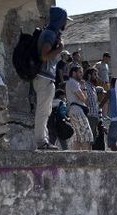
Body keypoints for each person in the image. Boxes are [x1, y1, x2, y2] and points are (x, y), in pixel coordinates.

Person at [33, 6, 70, 150]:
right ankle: (42, 143)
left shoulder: (49, 32)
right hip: (44, 77)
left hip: (44, 77)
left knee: (45, 110)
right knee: (43, 111)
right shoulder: (49, 34)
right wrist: (60, 49)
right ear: (60, 19)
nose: (65, 23)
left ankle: (44, 141)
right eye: (64, 20)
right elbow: (44, 55)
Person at [66, 65, 93, 150]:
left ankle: (75, 160)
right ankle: (87, 159)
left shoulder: (73, 83)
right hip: (77, 111)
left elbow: (85, 101)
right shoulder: (73, 82)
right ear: (74, 73)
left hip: (74, 111)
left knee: (77, 138)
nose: (82, 74)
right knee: (86, 136)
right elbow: (84, 99)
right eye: (80, 72)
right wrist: (83, 88)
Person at [83, 67, 101, 140]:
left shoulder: (92, 86)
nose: (96, 76)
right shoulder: (85, 85)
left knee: (93, 137)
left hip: (95, 115)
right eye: (95, 74)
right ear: (89, 75)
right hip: (89, 115)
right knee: (89, 138)